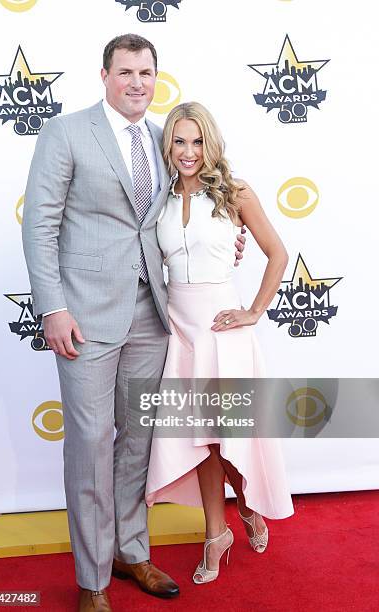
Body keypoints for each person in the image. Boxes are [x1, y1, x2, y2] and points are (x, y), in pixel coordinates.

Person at [22, 35, 245, 612]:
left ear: (156, 77)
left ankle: (129, 550)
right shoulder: (66, 133)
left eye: (146, 73)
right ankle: (93, 581)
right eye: (126, 72)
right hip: (85, 319)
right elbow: (39, 227)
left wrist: (227, 242)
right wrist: (52, 308)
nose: (137, 83)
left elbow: (180, 216)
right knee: (91, 446)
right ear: (104, 76)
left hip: (154, 315)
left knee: (137, 444)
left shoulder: (161, 140)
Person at [146, 102, 294, 585]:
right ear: (168, 145)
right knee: (202, 441)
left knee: (226, 439)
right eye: (179, 141)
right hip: (179, 331)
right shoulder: (158, 199)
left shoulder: (235, 193)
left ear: (210, 144)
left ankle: (249, 507)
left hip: (222, 332)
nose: (188, 152)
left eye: (197, 141)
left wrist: (253, 311)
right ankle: (216, 533)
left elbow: (278, 253)